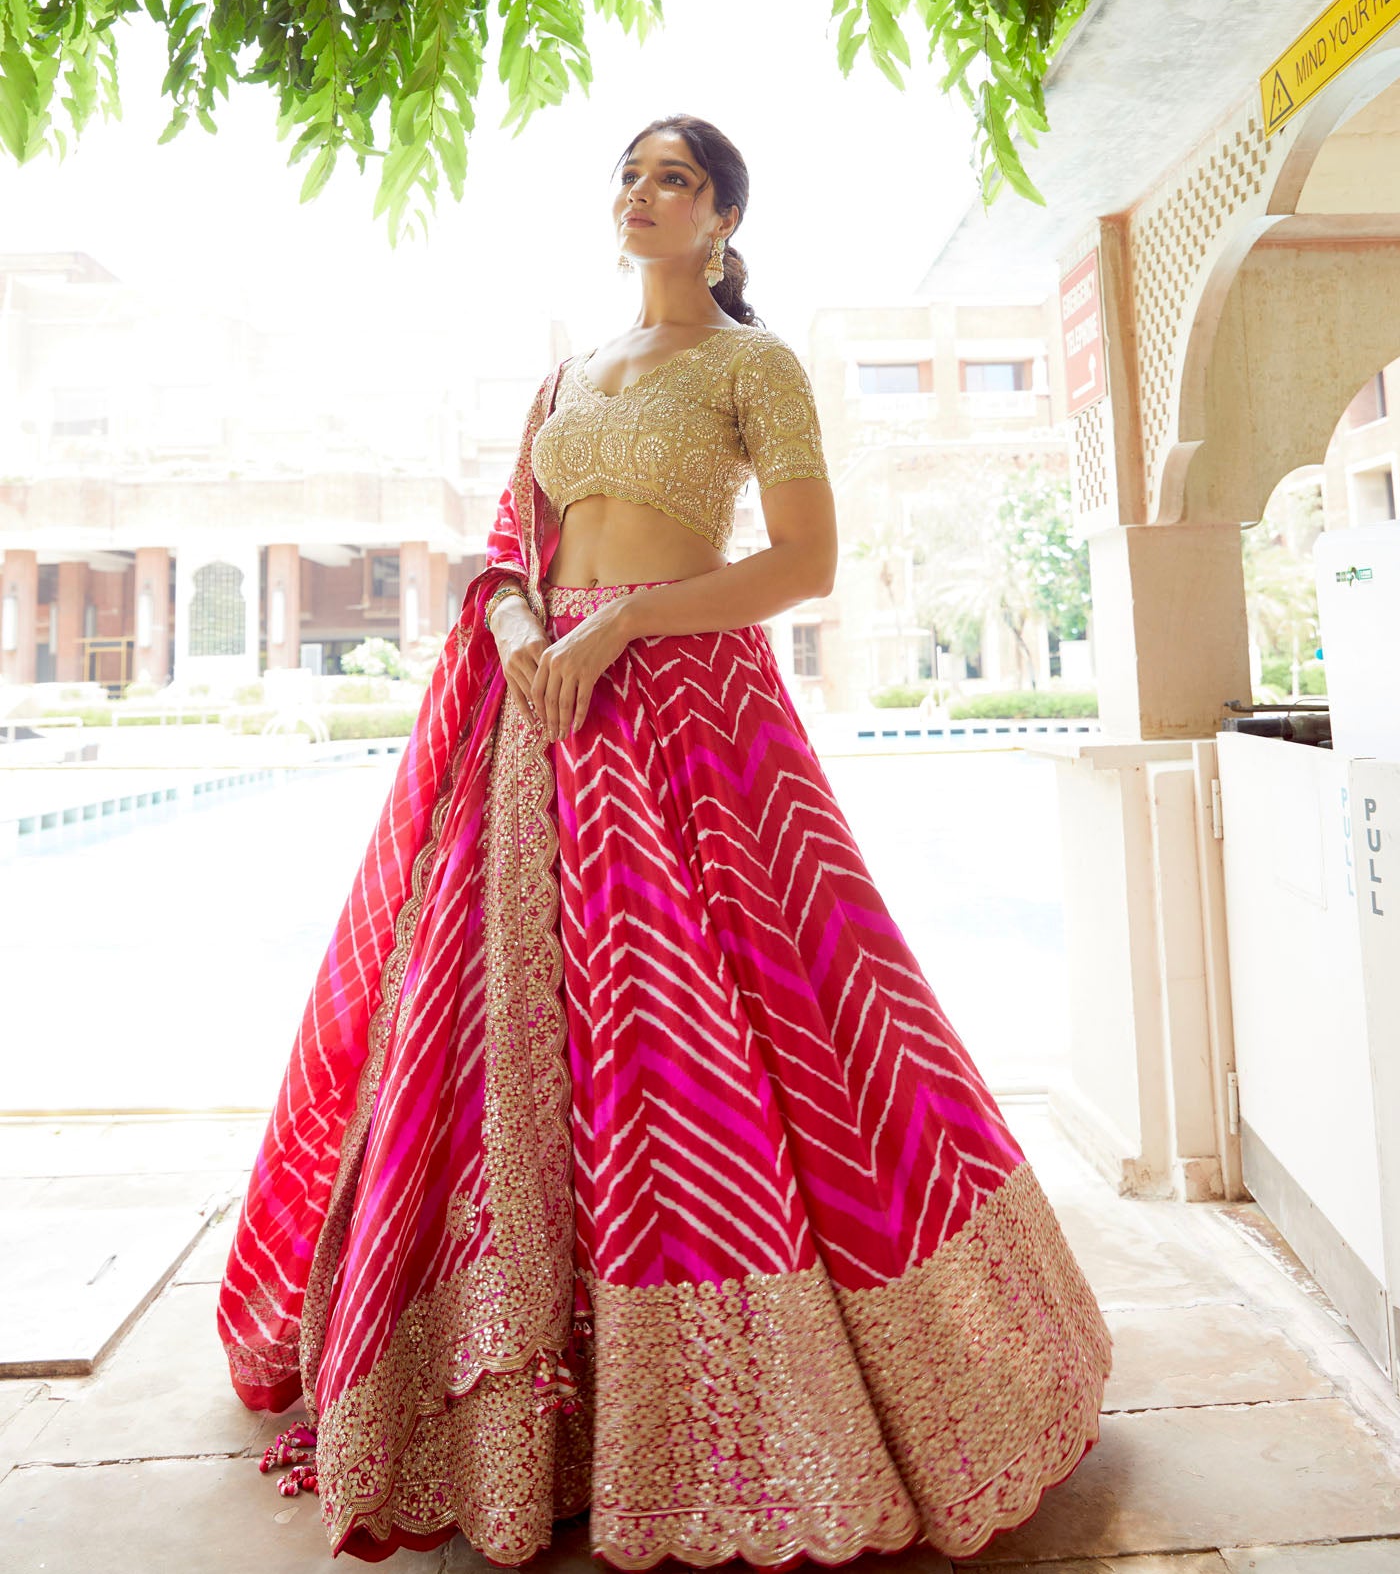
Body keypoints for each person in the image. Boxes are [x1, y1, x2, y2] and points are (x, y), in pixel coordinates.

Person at [219, 115, 1112, 1567]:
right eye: (629, 176)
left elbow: (804, 564)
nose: (641, 196)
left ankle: (765, 1406)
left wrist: (625, 620)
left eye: (673, 179)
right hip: (547, 715)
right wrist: (520, 626)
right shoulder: (566, 374)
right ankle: (532, 1402)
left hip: (690, 706)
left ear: (723, 219)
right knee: (511, 1032)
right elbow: (513, 542)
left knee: (728, 1023)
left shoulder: (754, 366)